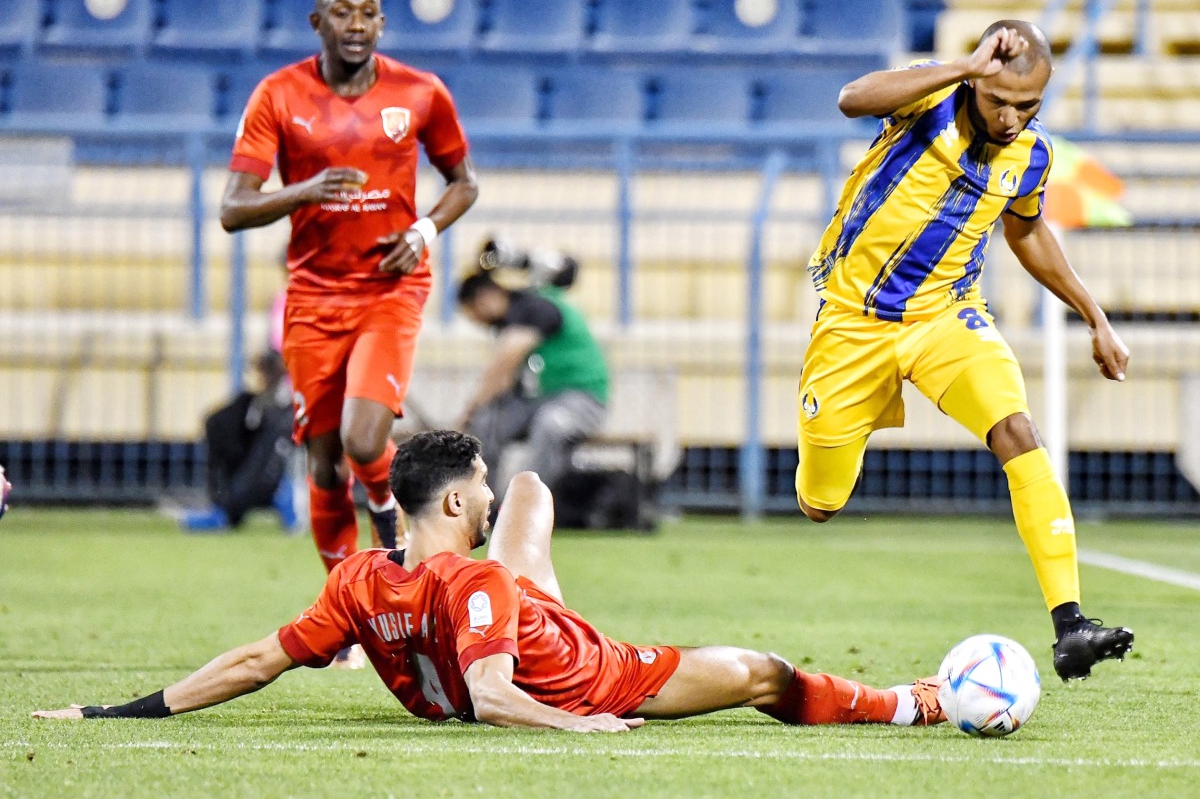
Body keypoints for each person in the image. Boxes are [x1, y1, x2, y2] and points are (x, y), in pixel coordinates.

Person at [31, 430, 945, 732]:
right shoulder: (486, 591)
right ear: (460, 501)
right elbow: (495, 693)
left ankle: (513, 501)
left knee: (535, 496)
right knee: (764, 671)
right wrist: (578, 722)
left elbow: (253, 662)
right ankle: (909, 704)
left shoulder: (354, 581)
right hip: (592, 667)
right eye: (477, 486)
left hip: (504, 614)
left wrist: (118, 713)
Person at [797, 20, 1133, 681]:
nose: (1010, 119)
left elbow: (1028, 233)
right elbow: (852, 98)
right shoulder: (930, 95)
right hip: (852, 324)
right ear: (976, 80)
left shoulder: (1032, 156)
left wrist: (1096, 317)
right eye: (997, 102)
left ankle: (1072, 625)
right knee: (820, 503)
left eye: (1027, 106)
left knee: (1018, 430)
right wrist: (963, 66)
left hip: (948, 316)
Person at [220, 0, 478, 592]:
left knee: (365, 443)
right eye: (342, 13)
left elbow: (463, 183)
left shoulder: (420, 93)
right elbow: (233, 209)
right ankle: (345, 609)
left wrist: (423, 233)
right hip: (312, 295)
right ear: (318, 24)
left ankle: (394, 535)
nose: (356, 23)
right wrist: (306, 189)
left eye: (368, 13)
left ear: (382, 24)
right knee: (326, 461)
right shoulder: (278, 95)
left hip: (392, 289)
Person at [455, 271, 608, 499]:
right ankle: (482, 502)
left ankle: (526, 505)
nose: (478, 322)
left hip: (583, 398)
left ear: (486, 298)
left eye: (474, 313)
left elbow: (503, 367)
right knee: (486, 424)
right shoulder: (515, 316)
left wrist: (468, 411)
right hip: (542, 398)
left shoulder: (533, 309)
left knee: (549, 425)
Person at [182, 350, 298, 532]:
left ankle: (231, 508)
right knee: (219, 423)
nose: (265, 377)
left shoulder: (288, 411)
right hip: (247, 474)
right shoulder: (250, 405)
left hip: (276, 475)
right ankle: (225, 505)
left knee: (276, 437)